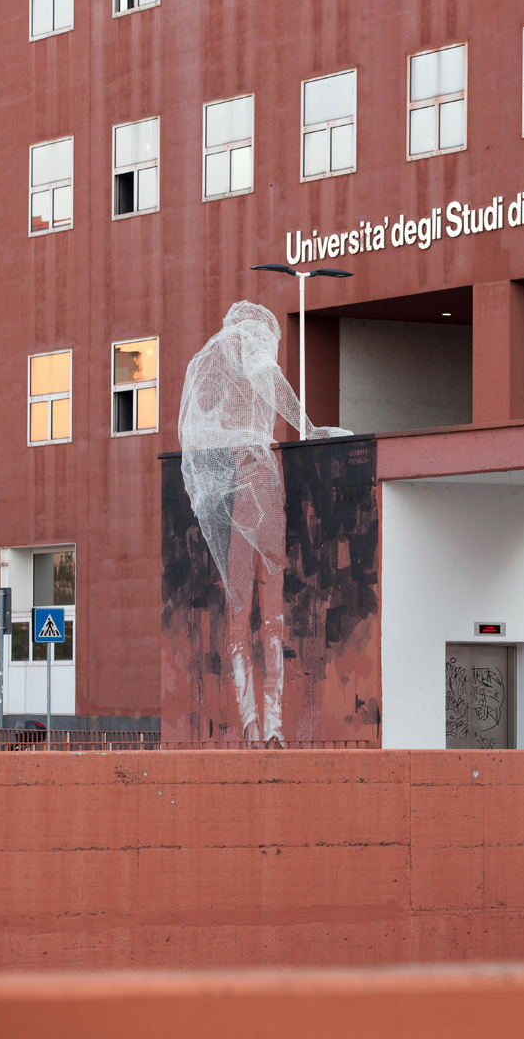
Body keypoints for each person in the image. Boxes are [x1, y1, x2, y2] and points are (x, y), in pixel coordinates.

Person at [179, 301, 349, 743]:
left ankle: (253, 722)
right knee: (269, 613)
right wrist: (309, 429)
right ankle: (269, 724)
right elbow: (267, 377)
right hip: (260, 487)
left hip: (237, 493)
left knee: (241, 611)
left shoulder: (212, 360)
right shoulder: (247, 347)